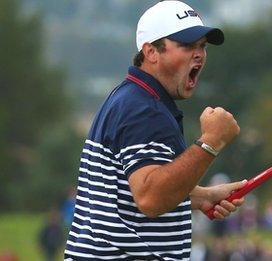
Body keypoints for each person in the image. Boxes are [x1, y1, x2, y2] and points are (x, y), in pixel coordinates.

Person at [64, 1, 246, 260]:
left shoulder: (128, 96)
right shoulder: (145, 109)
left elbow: (131, 189)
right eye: (187, 45)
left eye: (202, 46)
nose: (199, 54)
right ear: (151, 52)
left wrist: (202, 197)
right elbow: (150, 197)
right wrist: (211, 142)